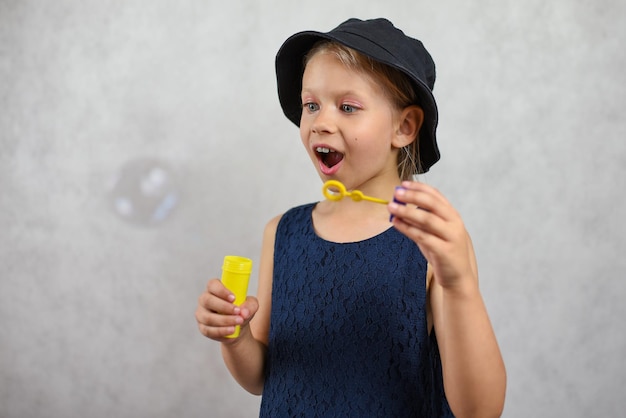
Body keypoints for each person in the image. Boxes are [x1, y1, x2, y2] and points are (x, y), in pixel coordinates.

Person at [196, 18, 506, 417]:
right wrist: (235, 337)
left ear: (404, 126)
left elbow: (481, 411)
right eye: (312, 105)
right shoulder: (282, 233)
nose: (321, 122)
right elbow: (262, 377)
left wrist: (459, 284)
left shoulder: (432, 243)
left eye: (347, 107)